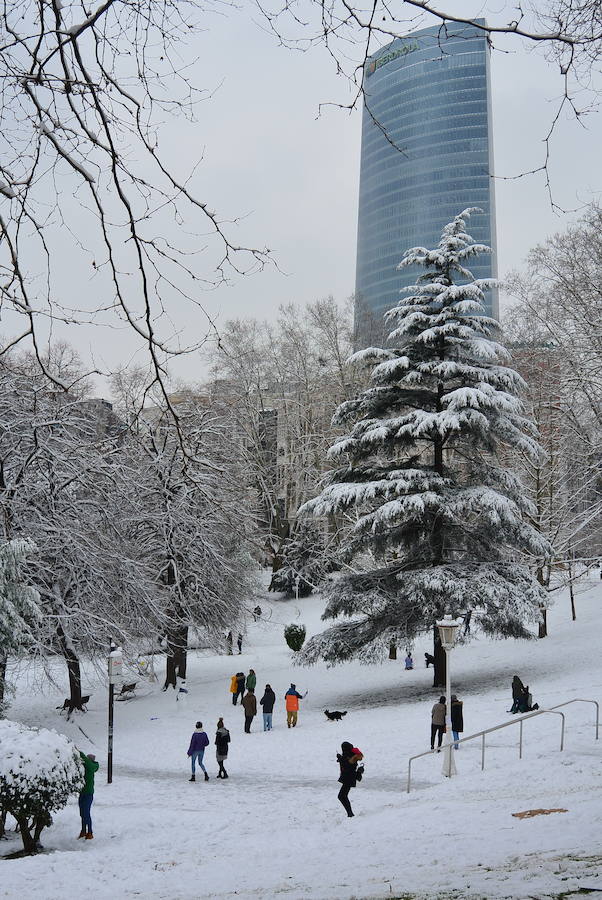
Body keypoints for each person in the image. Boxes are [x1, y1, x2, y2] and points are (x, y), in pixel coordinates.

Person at [336, 741, 364, 818]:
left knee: (342, 796)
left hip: (348, 779)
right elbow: (345, 762)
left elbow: (347, 765)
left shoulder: (349, 757)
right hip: (348, 778)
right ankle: (350, 814)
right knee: (343, 796)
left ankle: (350, 814)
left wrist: (340, 759)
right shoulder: (349, 755)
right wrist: (340, 758)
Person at [78, 751, 99, 840]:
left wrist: (78, 751)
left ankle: (90, 832)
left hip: (88, 794)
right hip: (82, 793)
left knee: (86, 813)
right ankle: (83, 831)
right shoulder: (86, 767)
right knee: (82, 813)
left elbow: (86, 761)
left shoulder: (91, 767)